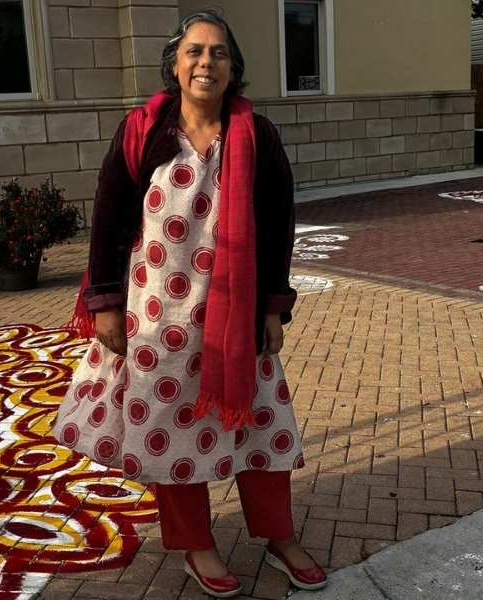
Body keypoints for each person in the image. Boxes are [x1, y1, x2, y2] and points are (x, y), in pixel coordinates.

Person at [53, 10, 327, 597]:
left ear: (234, 69)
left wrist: (274, 307)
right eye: (195, 52)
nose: (207, 62)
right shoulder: (143, 130)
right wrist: (103, 301)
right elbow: (107, 219)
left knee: (261, 425)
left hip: (236, 313)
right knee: (168, 432)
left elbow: (279, 224)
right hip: (157, 314)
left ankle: (279, 536)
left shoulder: (257, 135)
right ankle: (195, 547)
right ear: (175, 65)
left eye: (219, 53)